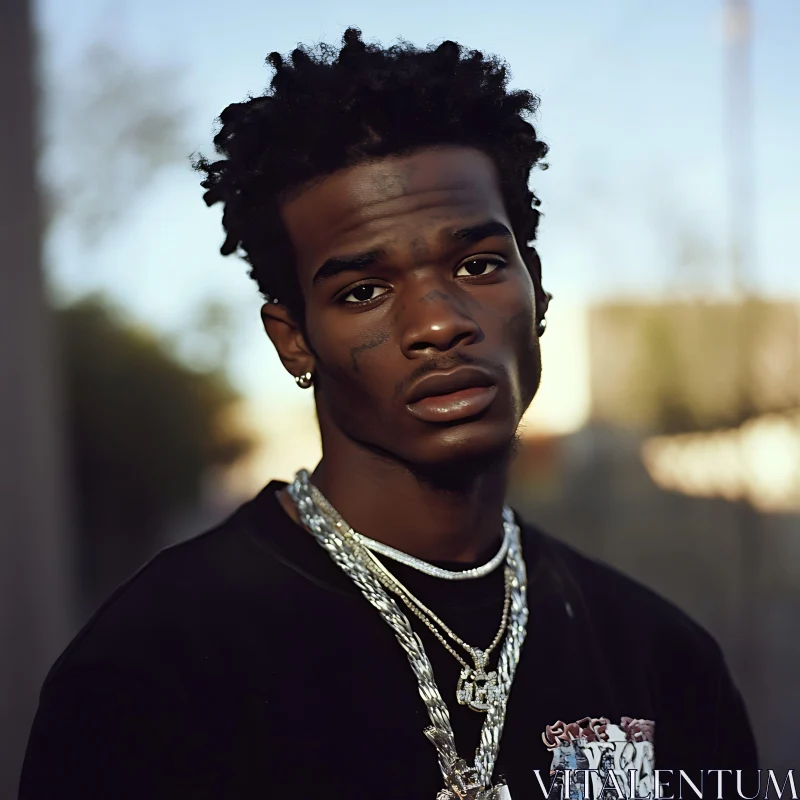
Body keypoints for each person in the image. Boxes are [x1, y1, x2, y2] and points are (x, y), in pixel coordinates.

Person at [20, 28, 758, 800]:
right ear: (294, 340)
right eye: (362, 292)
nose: (438, 322)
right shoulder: (150, 672)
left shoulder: (662, 660)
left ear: (535, 289)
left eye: (477, 265)